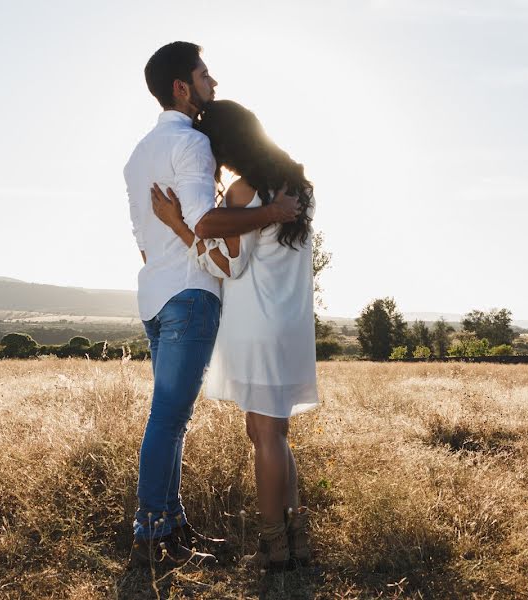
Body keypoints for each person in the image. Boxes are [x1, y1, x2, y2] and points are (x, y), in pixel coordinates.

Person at [124, 42, 300, 569]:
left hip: (154, 294)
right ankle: (153, 533)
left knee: (172, 419)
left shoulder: (137, 155)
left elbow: (141, 238)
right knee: (167, 418)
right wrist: (271, 210)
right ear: (182, 87)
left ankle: (170, 527)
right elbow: (203, 222)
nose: (212, 82)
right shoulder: (195, 145)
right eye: (204, 74)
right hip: (191, 294)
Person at [151, 99, 318, 570]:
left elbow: (229, 264)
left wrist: (178, 226)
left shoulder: (244, 192)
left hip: (257, 323)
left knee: (264, 433)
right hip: (290, 325)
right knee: (274, 432)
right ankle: (296, 541)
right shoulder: (297, 189)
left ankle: (272, 549)